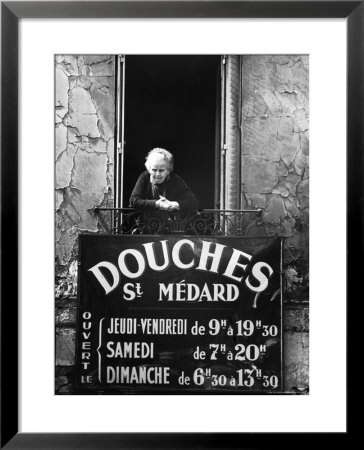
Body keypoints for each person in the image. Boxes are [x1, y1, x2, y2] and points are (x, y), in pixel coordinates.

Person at [129, 148, 199, 216]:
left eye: (161, 170)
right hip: (146, 225)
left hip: (171, 226)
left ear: (168, 171)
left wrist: (172, 204)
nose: (157, 174)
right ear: (149, 169)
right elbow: (134, 201)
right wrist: (158, 204)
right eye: (154, 170)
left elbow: (194, 202)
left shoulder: (176, 180)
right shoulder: (144, 177)